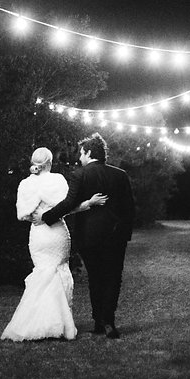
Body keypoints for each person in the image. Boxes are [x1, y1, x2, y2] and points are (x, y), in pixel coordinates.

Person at [35, 132, 136, 339]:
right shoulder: (120, 175)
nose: (80, 157)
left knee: (95, 277)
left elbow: (68, 203)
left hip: (89, 237)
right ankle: (108, 322)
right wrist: (124, 234)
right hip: (116, 237)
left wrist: (45, 217)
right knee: (113, 278)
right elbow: (130, 209)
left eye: (81, 153)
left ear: (89, 153)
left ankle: (98, 321)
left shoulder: (80, 174)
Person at [1, 147, 107, 341]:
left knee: (42, 273)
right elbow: (67, 207)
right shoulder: (57, 180)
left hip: (38, 235)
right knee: (57, 272)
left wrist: (38, 218)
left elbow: (23, 215)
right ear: (49, 162)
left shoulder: (25, 184)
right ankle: (57, 323)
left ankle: (33, 323)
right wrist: (88, 203)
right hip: (56, 232)